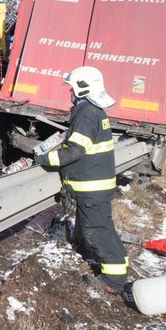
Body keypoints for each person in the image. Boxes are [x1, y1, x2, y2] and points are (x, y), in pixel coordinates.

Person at [35, 66, 128, 294]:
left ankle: (113, 281)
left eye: (71, 89)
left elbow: (75, 151)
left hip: (91, 186)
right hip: (98, 183)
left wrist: (45, 159)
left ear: (81, 88)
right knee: (103, 227)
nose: (70, 94)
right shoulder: (95, 111)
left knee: (95, 230)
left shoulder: (86, 113)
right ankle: (118, 264)